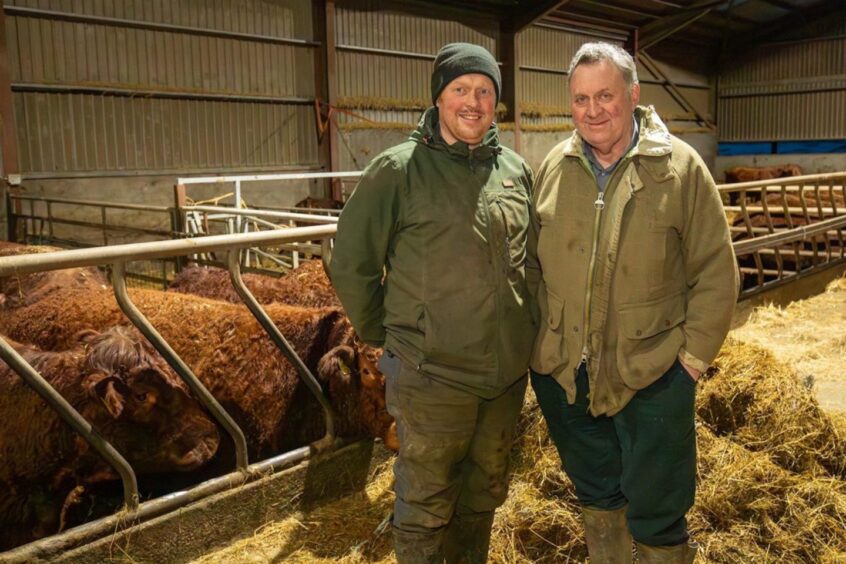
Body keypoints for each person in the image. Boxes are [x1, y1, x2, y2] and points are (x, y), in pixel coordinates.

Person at [527, 42, 738, 563]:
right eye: (580, 99)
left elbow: (716, 271)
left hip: (653, 372)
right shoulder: (555, 166)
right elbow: (531, 267)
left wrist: (689, 363)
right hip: (565, 375)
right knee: (597, 494)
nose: (593, 110)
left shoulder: (680, 170)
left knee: (658, 509)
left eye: (605, 95)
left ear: (634, 95)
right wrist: (539, 349)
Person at [329, 43, 536, 563]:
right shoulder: (398, 170)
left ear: (497, 103)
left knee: (484, 493)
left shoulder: (513, 169)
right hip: (431, 375)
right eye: (461, 89)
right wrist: (390, 334)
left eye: (485, 91)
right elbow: (352, 262)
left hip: (503, 377)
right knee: (424, 501)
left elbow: (530, 261)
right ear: (439, 98)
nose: (474, 101)